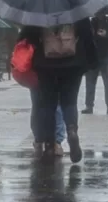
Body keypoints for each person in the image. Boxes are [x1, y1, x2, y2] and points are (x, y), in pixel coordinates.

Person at [18, 19, 97, 163]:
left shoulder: (39, 10)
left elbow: (26, 36)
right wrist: (90, 62)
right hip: (73, 64)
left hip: (45, 65)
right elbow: (87, 37)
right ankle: (72, 131)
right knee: (70, 102)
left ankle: (49, 145)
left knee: (48, 104)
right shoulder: (77, 8)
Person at [18, 26, 67, 157]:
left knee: (38, 104)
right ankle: (56, 141)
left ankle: (39, 138)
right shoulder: (63, 16)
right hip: (59, 66)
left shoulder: (34, 18)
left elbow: (22, 40)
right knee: (56, 104)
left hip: (37, 67)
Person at [83, 13, 108, 115]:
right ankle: (89, 106)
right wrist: (94, 35)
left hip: (106, 57)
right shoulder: (89, 25)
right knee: (90, 83)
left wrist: (107, 35)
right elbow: (84, 40)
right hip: (92, 57)